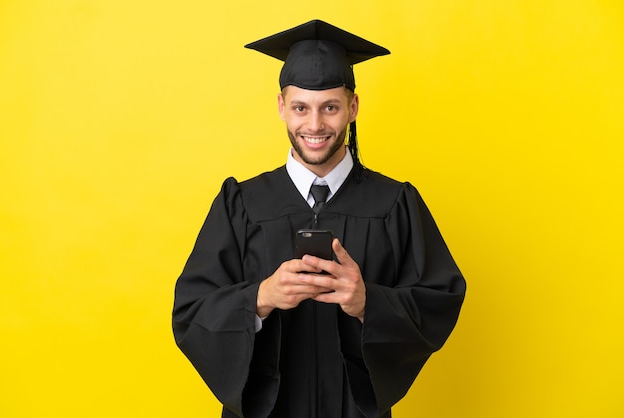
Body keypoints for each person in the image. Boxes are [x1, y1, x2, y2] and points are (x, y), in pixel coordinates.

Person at [172, 19, 466, 418]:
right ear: (281, 107)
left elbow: (440, 300)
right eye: (300, 108)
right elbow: (191, 311)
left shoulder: (394, 203)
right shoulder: (241, 203)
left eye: (330, 107)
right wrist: (259, 300)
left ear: (353, 107)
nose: (314, 125)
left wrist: (369, 303)